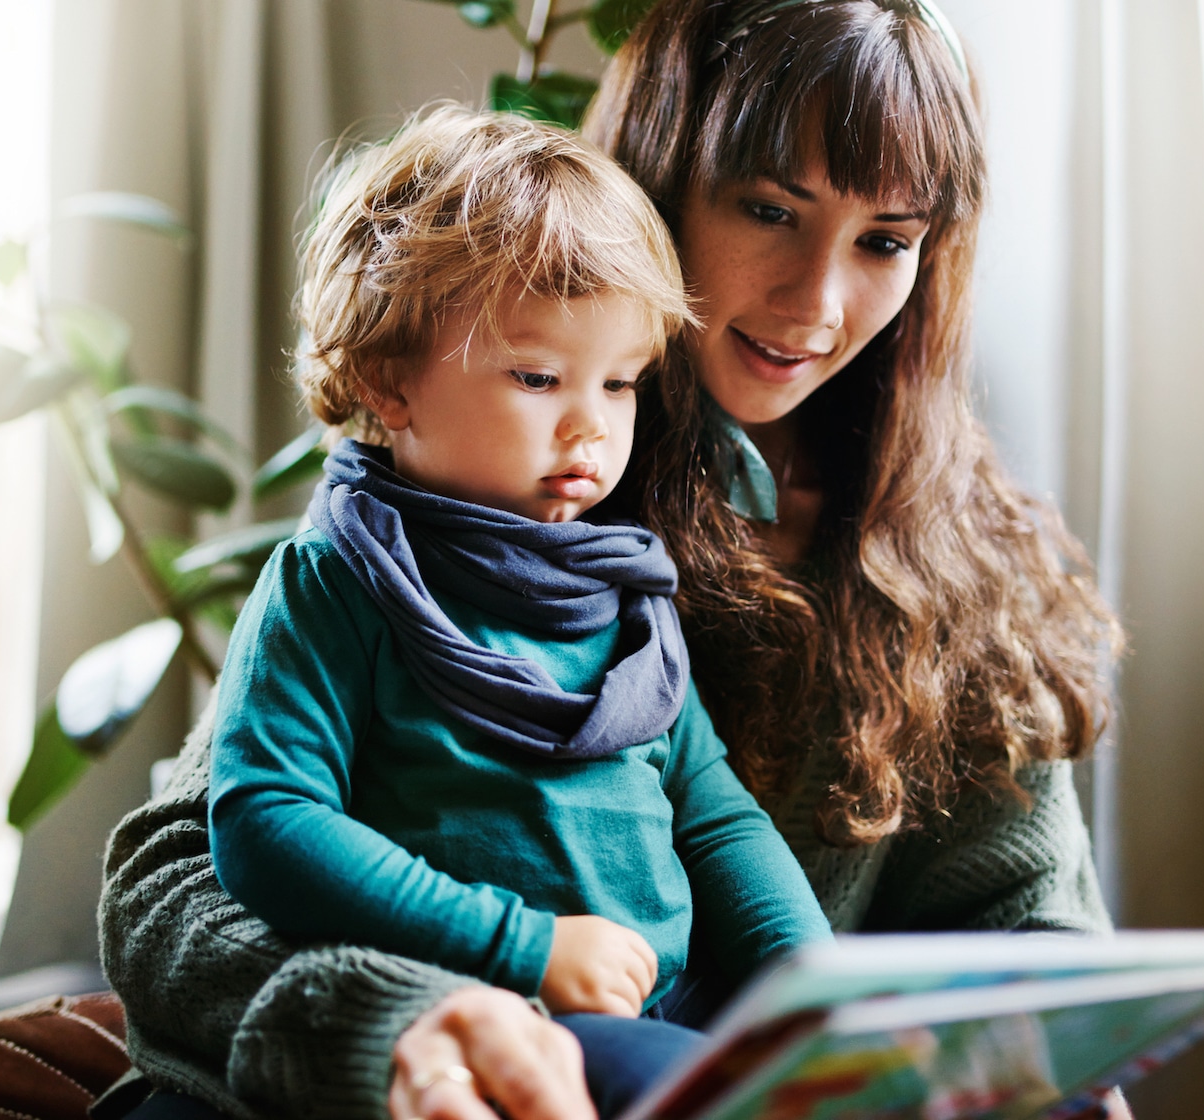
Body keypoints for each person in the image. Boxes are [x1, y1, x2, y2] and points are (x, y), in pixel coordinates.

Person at [98, 2, 1124, 1118]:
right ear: (660, 174)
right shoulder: (465, 481)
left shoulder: (962, 561)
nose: (817, 304)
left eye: (885, 241)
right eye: (770, 210)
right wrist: (402, 1021)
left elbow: (1029, 933)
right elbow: (177, 877)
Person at [201, 101, 831, 1111]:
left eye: (621, 383)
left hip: (668, 1009)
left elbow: (715, 823)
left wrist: (813, 983)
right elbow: (265, 820)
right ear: (388, 380)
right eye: (539, 376)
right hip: (489, 1023)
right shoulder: (337, 581)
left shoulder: (626, 596)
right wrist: (523, 944)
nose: (592, 426)